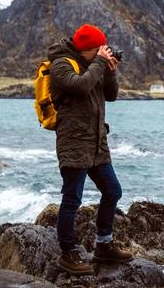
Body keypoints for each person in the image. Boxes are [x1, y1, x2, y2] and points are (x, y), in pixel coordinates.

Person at [47, 23, 133, 275]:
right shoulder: (61, 65)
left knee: (113, 190)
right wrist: (98, 63)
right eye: (98, 49)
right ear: (87, 49)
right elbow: (80, 85)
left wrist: (109, 71)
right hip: (73, 142)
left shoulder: (93, 64)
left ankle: (104, 244)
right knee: (72, 198)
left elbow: (112, 95)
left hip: (96, 143)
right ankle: (68, 253)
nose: (103, 52)